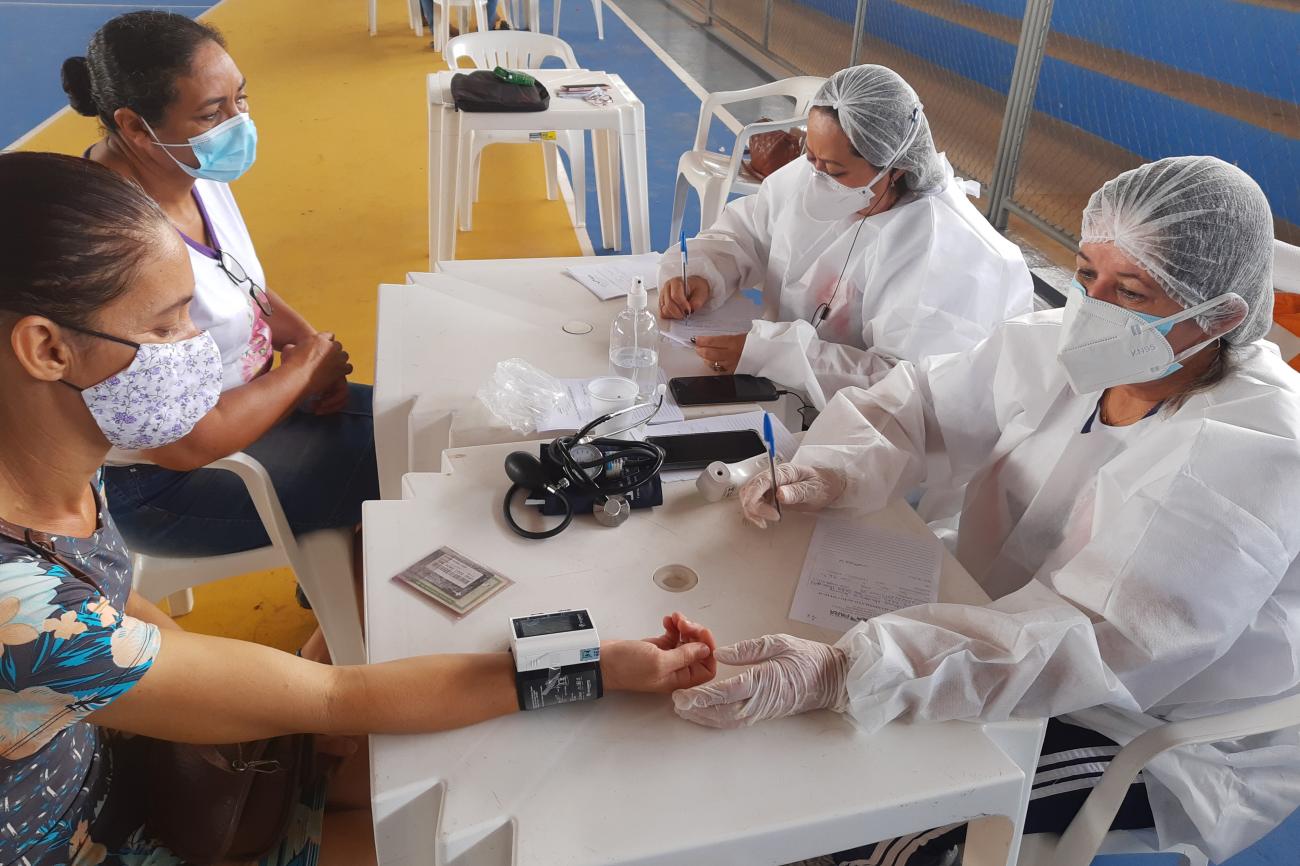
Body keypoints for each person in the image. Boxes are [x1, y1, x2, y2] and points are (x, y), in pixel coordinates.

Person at [0, 150, 717, 866]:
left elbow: (123, 607)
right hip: (88, 839)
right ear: (46, 348)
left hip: (119, 759)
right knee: (468, 836)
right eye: (165, 328)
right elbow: (336, 699)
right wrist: (595, 665)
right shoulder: (26, 611)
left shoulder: (53, 466)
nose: (197, 350)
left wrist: (250, 703)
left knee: (419, 762)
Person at [673, 156, 1300, 865]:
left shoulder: (1253, 453)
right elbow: (921, 404)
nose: (1093, 306)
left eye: (1130, 291)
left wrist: (853, 669)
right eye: (1086, 273)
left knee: (881, 825)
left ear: (1220, 316)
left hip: (1137, 719)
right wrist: (831, 468)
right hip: (1000, 620)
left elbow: (1096, 643)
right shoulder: (1080, 348)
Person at [61, 12, 377, 654]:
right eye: (212, 112)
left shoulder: (189, 172)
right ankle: (335, 651)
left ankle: (343, 595)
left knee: (416, 422)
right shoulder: (113, 249)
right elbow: (185, 444)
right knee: (411, 464)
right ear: (134, 126)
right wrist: (300, 371)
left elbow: (242, 283)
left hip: (256, 410)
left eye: (241, 98)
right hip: (166, 485)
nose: (237, 123)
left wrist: (307, 346)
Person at [658, 65, 1033, 408]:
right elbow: (748, 230)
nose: (817, 178)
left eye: (835, 171)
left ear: (896, 167)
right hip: (786, 391)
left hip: (881, 431)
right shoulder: (818, 172)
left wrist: (772, 354)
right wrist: (705, 273)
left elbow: (905, 386)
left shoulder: (944, 252)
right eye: (811, 158)